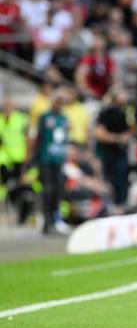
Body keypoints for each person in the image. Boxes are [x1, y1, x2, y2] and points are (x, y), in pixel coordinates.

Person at [32, 90, 70, 234]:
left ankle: (56, 218)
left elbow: (64, 140)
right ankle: (46, 220)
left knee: (59, 189)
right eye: (57, 101)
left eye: (61, 102)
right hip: (46, 159)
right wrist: (35, 157)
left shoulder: (64, 119)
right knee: (47, 189)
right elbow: (38, 137)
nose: (59, 104)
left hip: (59, 159)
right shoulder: (45, 117)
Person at [95, 87, 133, 214]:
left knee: (121, 179)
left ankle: (119, 206)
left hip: (120, 152)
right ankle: (109, 206)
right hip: (108, 152)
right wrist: (118, 138)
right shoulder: (106, 112)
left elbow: (128, 132)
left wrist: (125, 137)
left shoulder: (124, 113)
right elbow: (100, 134)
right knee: (109, 180)